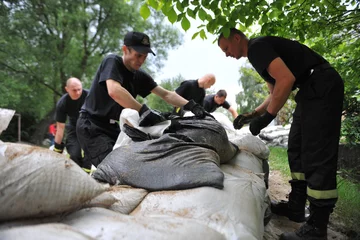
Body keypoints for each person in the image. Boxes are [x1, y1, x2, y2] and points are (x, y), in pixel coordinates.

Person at [218, 27, 344, 240]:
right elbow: (274, 91)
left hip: (322, 85)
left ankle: (317, 227)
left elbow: (285, 80)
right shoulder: (257, 56)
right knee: (296, 147)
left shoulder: (257, 47)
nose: (226, 54)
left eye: (226, 48)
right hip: (309, 90)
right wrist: (252, 115)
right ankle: (296, 206)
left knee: (316, 153)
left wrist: (267, 118)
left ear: (237, 38)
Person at [76, 31, 209, 168]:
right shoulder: (112, 62)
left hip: (112, 127)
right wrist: (143, 110)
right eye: (138, 55)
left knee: (132, 162)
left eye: (145, 57)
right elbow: (114, 91)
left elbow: (166, 94)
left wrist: (191, 106)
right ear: (125, 50)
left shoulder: (139, 75)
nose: (141, 60)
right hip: (91, 125)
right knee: (114, 167)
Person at [53, 77, 91, 173]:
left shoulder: (90, 96)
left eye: (79, 89)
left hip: (90, 127)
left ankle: (86, 177)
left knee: (89, 155)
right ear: (67, 89)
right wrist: (57, 149)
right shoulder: (62, 103)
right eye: (74, 90)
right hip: (74, 128)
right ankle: (76, 176)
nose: (78, 92)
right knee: (74, 154)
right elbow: (60, 128)